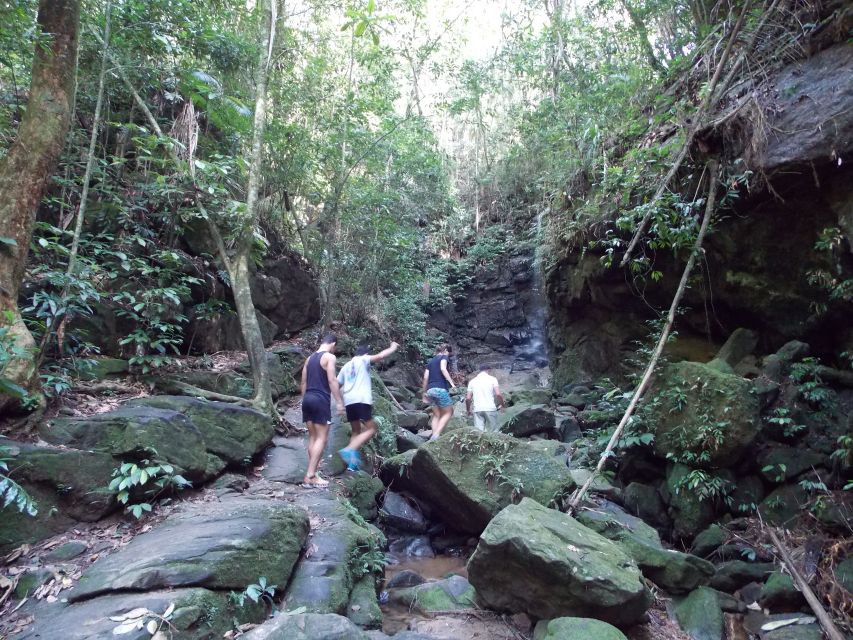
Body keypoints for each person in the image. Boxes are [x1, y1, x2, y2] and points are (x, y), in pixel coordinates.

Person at [337, 341, 400, 471]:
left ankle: (352, 464)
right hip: (361, 399)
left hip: (349, 401)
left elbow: (337, 386)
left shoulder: (346, 366)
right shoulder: (363, 359)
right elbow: (381, 356)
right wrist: (393, 347)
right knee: (371, 429)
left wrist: (341, 403)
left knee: (356, 431)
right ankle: (349, 449)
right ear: (365, 354)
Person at [299, 334, 346, 488]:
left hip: (308, 399)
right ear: (333, 344)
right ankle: (310, 475)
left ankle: (313, 472)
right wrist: (339, 402)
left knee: (313, 437)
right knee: (322, 439)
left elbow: (304, 382)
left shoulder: (309, 359)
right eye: (335, 348)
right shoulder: (329, 358)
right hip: (320, 400)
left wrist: (304, 400)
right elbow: (332, 380)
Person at [421, 343, 456, 440]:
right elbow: (443, 368)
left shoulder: (430, 362)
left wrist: (424, 393)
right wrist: (452, 384)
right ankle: (436, 436)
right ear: (445, 351)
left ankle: (434, 435)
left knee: (436, 414)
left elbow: (425, 378)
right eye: (449, 353)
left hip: (430, 391)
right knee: (449, 412)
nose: (449, 356)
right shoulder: (444, 356)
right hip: (440, 389)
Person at [466, 365, 505, 431]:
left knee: (479, 432)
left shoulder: (472, 381)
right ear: (488, 370)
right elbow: (498, 394)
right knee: (493, 432)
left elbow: (468, 398)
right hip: (490, 408)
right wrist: (503, 405)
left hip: (477, 409)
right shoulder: (493, 379)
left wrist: (468, 410)